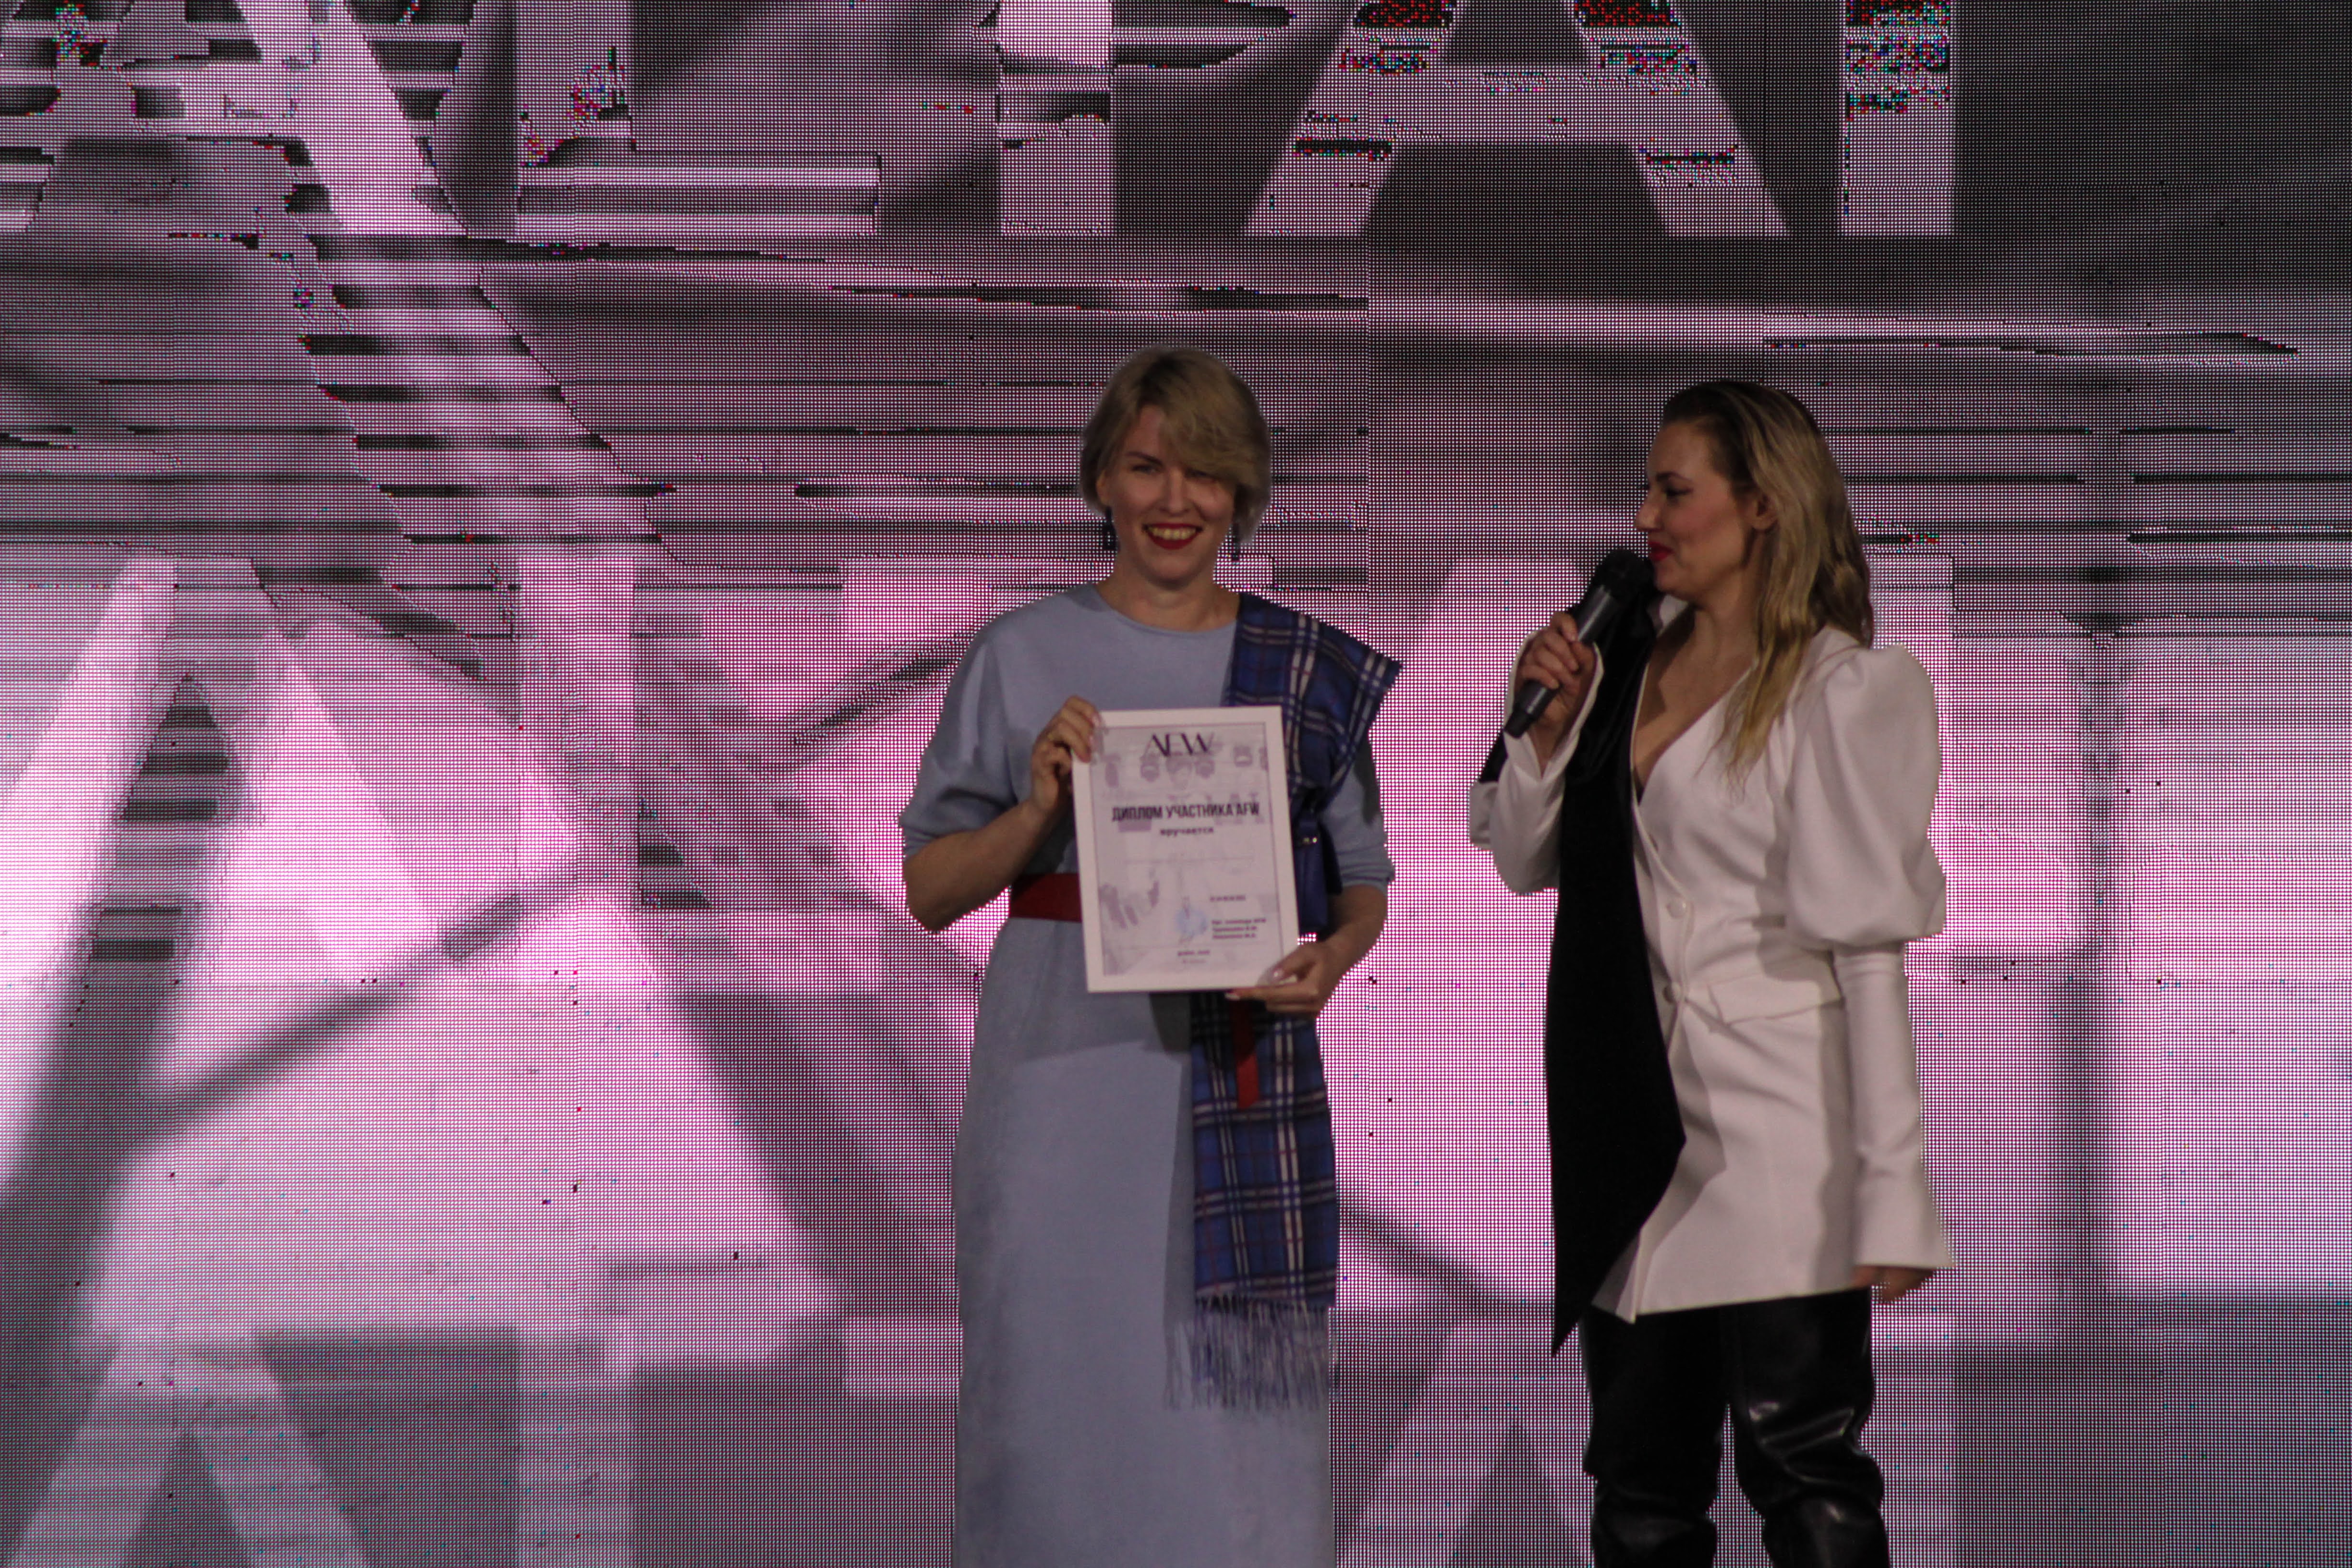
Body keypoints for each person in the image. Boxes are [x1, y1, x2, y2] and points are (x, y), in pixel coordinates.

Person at [901, 345, 1398, 1567]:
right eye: (1146, 467)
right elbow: (930, 890)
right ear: (1102, 483)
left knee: (1227, 1416)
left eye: (1207, 473)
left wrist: (1330, 961)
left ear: (1243, 492)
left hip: (1231, 1070)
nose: (1176, 500)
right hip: (1058, 1083)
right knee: (1053, 1383)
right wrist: (1035, 809)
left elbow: (1363, 884)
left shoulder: (1304, 667)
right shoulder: (1017, 653)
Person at [1470, 381, 1955, 1567]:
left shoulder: (1840, 687)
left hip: (1781, 1138)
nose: (1645, 517)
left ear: (1763, 505)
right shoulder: (1618, 657)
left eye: (1672, 491)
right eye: (1648, 490)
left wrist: (1894, 1189)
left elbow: (1866, 954)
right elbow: (1525, 859)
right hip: (1634, 1125)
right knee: (1642, 1484)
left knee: (1804, 1465)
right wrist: (1546, 734)